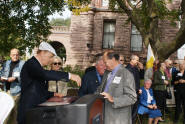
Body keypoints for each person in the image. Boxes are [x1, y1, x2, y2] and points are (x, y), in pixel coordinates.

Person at [17, 42, 81, 124]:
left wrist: (53, 94)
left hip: (35, 112)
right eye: (50, 57)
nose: (51, 60)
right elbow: (44, 74)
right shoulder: (31, 63)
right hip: (28, 112)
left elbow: (39, 89)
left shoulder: (36, 65)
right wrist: (69, 75)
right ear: (43, 52)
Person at [96, 51, 137, 124]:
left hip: (119, 119)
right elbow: (101, 89)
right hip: (105, 116)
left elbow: (132, 97)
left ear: (113, 60)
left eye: (105, 62)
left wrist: (113, 99)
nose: (105, 66)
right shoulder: (107, 73)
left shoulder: (126, 74)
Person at [126, 55, 144, 124]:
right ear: (132, 60)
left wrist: (142, 69)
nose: (138, 62)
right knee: (130, 113)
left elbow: (141, 77)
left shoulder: (135, 68)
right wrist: (137, 90)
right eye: (137, 60)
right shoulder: (128, 69)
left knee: (134, 113)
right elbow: (129, 83)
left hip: (136, 94)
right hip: (130, 94)